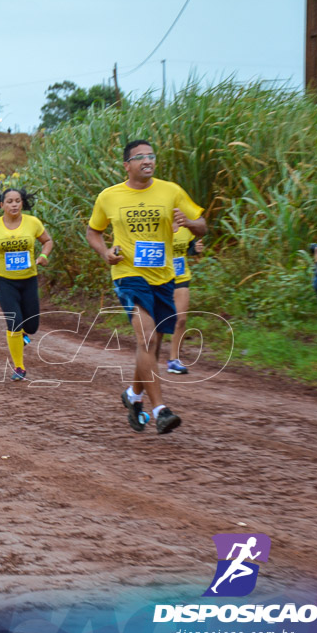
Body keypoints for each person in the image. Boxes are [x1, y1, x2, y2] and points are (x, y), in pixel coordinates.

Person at [86, 140, 206, 435]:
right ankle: (160, 410)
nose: (147, 161)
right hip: (128, 274)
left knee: (154, 343)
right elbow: (93, 231)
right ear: (126, 165)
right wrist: (105, 253)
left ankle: (133, 395)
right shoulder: (110, 196)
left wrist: (189, 222)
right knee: (147, 339)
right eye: (139, 157)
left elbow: (202, 225)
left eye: (151, 156)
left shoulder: (171, 191)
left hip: (164, 276)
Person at [0, 188, 53, 380]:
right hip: (4, 281)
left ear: (22, 203)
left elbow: (47, 241)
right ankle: (19, 367)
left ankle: (22, 336)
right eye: (9, 201)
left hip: (29, 279)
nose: (14, 204)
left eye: (17, 201)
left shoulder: (32, 223)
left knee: (32, 326)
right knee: (14, 322)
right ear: (2, 205)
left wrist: (43, 256)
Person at [166, 228, 203, 373]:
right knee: (155, 320)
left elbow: (189, 248)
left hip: (180, 277)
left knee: (181, 319)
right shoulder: (158, 224)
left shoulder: (186, 229)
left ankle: (174, 360)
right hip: (158, 278)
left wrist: (195, 249)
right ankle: (148, 356)